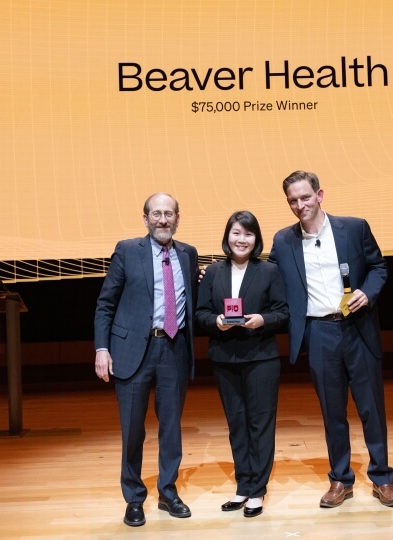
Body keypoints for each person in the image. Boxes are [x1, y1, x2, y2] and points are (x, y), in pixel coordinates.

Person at [268, 170, 393, 509]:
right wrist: (213, 273)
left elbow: (378, 267)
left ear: (320, 195)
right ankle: (340, 479)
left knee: (371, 407)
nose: (300, 205)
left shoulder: (354, 228)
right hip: (319, 332)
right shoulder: (283, 240)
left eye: (305, 197)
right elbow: (264, 277)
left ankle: (383, 478)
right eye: (293, 201)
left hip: (357, 328)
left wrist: (367, 293)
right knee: (332, 412)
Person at [94, 192, 199, 527]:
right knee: (133, 430)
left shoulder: (188, 254)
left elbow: (193, 296)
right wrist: (101, 349)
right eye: (156, 214)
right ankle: (134, 498)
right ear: (145, 219)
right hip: (131, 352)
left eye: (169, 214)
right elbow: (105, 304)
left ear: (178, 218)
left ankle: (168, 493)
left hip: (173, 349)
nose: (163, 220)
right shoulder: (127, 250)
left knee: (171, 428)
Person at [195, 211, 289, 518]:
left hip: (261, 357)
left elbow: (283, 312)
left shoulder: (269, 271)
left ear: (256, 239)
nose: (242, 239)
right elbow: (200, 315)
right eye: (236, 233)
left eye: (248, 234)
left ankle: (257, 491)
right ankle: (243, 485)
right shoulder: (212, 273)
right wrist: (216, 322)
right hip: (225, 358)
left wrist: (262, 320)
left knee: (260, 424)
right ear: (227, 237)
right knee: (236, 425)